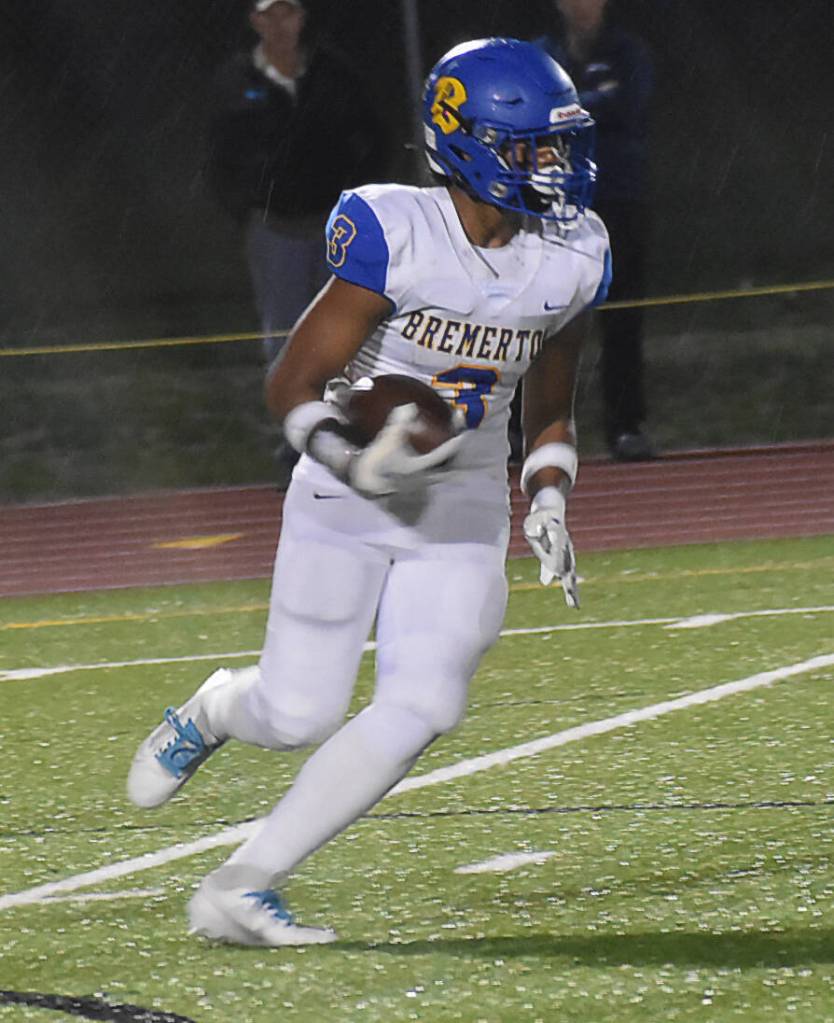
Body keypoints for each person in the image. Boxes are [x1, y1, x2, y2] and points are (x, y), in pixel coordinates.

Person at [128, 37, 611, 947]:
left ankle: (241, 885)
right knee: (297, 713)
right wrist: (353, 462)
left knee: (429, 702)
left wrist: (549, 494)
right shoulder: (396, 230)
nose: (554, 165)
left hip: (464, 496)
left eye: (559, 143)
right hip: (345, 490)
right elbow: (292, 383)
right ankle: (218, 708)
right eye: (530, 146)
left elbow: (552, 407)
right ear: (466, 142)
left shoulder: (574, 254)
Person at [207, 0, 389, 365]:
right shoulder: (235, 81)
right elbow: (220, 154)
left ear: (301, 18)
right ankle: (290, 400)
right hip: (273, 229)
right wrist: (247, 207)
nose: (279, 25)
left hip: (336, 226)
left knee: (346, 329)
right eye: (269, 15)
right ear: (255, 21)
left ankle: (346, 398)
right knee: (284, 335)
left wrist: (358, 198)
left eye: (287, 13)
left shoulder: (333, 72)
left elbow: (372, 137)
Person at [535, 0, 655, 461]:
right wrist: (593, 103)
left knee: (623, 317)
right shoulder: (541, 56)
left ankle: (626, 427)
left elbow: (631, 107)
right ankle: (532, 428)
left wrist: (567, 109)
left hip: (620, 199)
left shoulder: (629, 53)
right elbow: (530, 118)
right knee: (541, 319)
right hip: (556, 204)